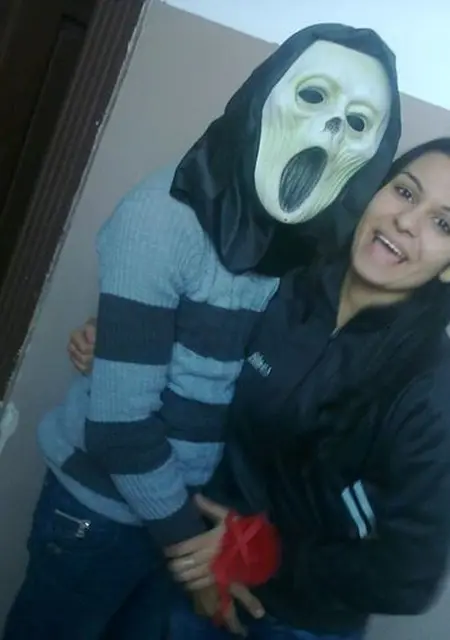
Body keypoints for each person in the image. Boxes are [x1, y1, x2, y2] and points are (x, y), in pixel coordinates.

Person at [3, 24, 400, 640]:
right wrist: (193, 550)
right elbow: (120, 427)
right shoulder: (161, 217)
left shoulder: (314, 253)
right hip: (106, 517)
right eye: (313, 96)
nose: (330, 129)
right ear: (265, 95)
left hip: (196, 520)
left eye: (356, 123)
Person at [162, 138, 450, 639]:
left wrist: (256, 553)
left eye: (443, 224)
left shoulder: (431, 389)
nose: (406, 221)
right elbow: (207, 361)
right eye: (404, 192)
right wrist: (132, 342)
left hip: (292, 622)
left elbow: (410, 576)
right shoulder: (289, 285)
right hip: (193, 576)